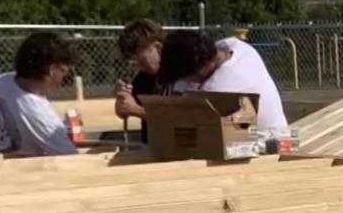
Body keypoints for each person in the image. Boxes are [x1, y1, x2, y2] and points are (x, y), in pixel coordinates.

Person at [155, 29, 293, 141]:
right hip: (282, 135)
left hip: (269, 150)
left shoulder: (217, 89)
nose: (187, 82)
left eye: (187, 78)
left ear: (201, 68)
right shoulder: (240, 48)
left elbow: (182, 132)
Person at [0, 31, 82, 157]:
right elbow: (72, 158)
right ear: (52, 70)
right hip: (30, 174)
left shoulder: (1, 82)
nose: (63, 79)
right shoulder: (38, 114)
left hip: (0, 164)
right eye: (64, 71)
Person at [112, 19, 165, 139]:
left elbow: (179, 119)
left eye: (141, 61)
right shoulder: (143, 78)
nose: (139, 67)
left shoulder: (179, 76)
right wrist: (122, 100)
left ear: (158, 47)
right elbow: (123, 113)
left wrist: (137, 110)